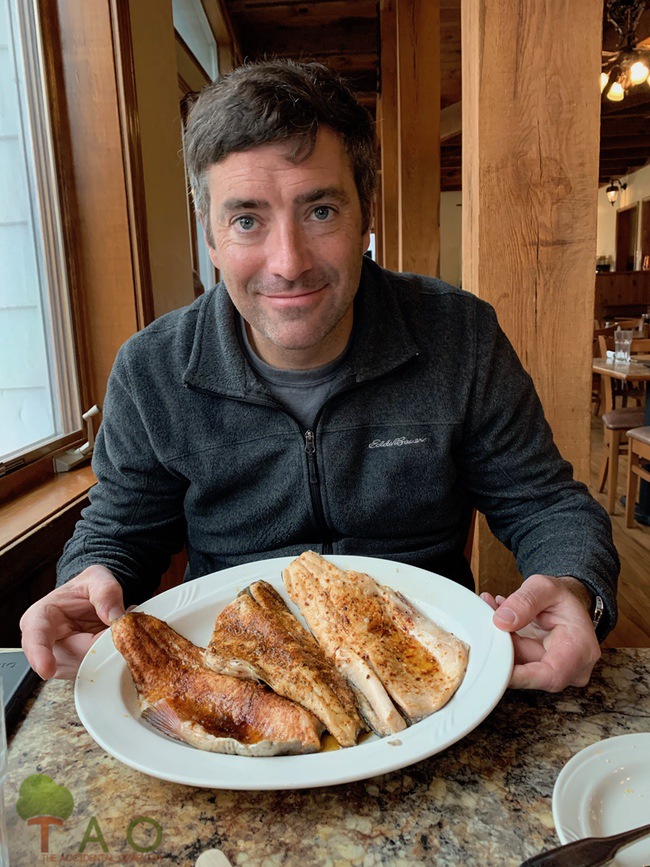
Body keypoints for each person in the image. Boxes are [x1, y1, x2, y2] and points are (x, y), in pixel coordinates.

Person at [20, 60, 618, 692]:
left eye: (321, 211)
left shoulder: (459, 336)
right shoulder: (152, 369)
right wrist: (92, 574)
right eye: (247, 219)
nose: (288, 263)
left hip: (427, 673)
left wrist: (575, 584)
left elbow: (543, 502)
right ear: (212, 238)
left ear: (365, 218)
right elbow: (118, 532)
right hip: (244, 682)